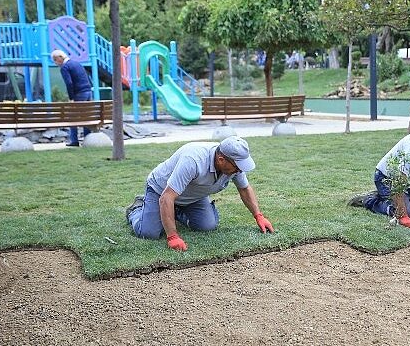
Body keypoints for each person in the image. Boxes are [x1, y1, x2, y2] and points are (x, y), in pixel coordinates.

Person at [125, 136, 274, 251]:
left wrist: (259, 216)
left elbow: (244, 188)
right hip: (161, 191)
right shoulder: (193, 160)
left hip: (193, 196)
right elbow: (167, 196)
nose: (240, 170)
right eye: (238, 166)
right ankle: (137, 209)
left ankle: (173, 212)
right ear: (221, 159)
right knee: (149, 233)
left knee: (207, 225)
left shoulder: (233, 166)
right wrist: (172, 236)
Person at [51, 49, 92, 147]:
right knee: (85, 116)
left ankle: (74, 141)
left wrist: (71, 98)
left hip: (79, 94)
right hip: (88, 91)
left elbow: (69, 83)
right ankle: (87, 138)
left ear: (60, 58)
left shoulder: (65, 67)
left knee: (72, 117)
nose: (55, 63)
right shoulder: (76, 63)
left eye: (55, 60)